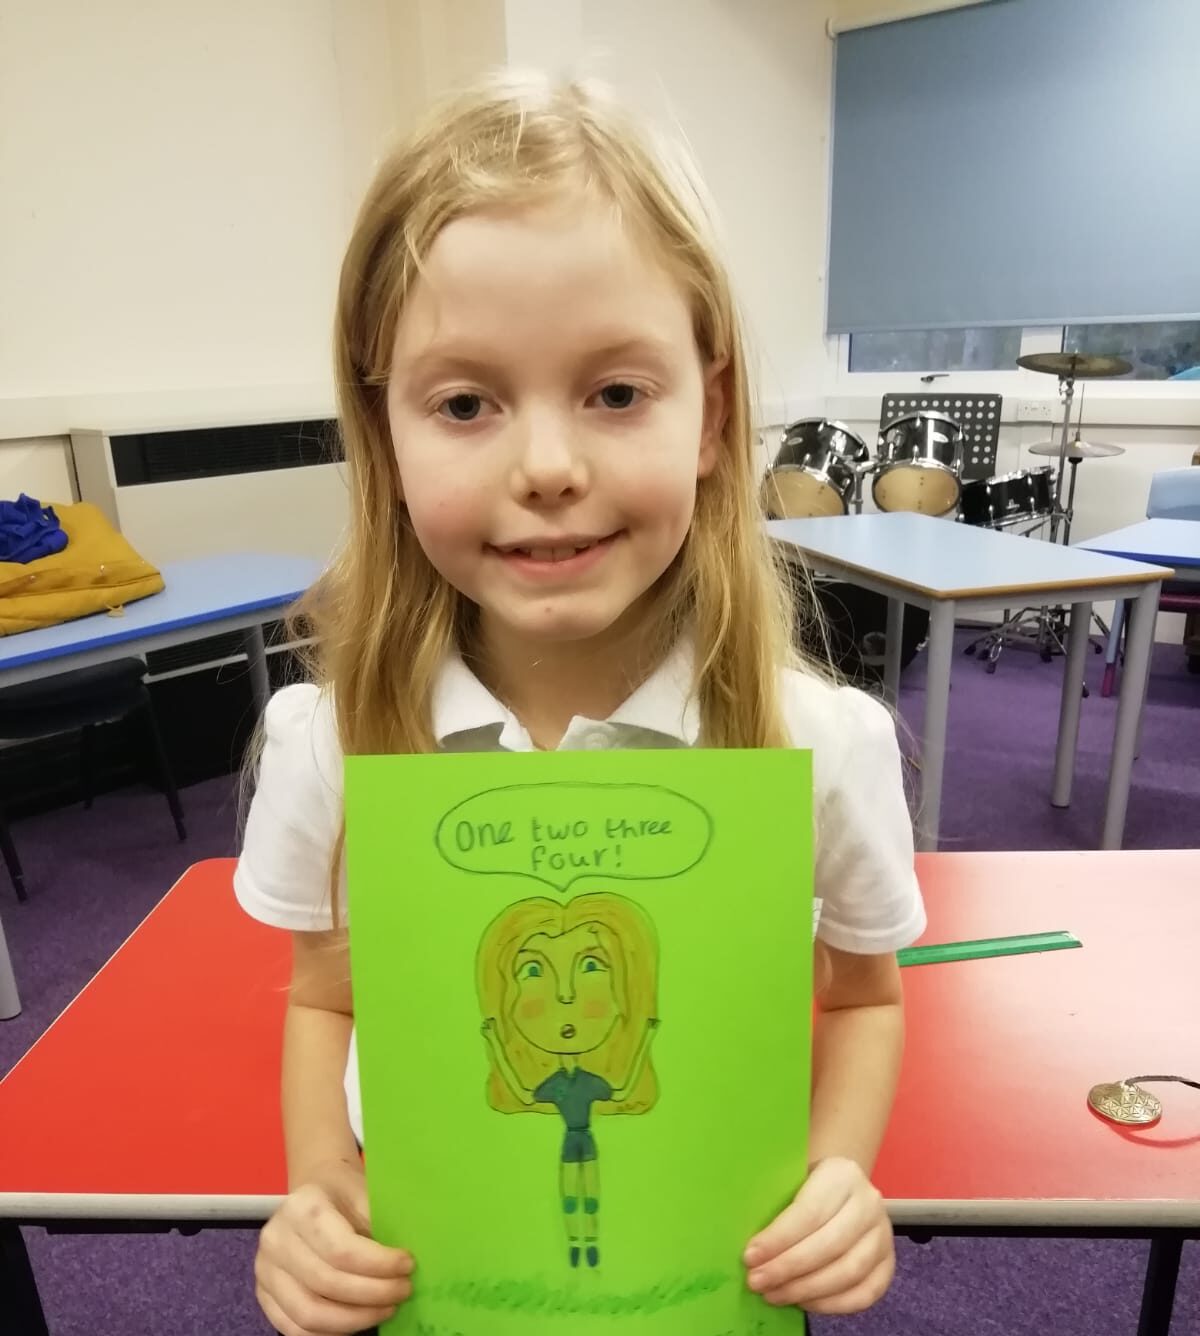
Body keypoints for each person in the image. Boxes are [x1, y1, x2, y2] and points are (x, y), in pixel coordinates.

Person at [235, 69, 925, 1336]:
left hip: (707, 1288)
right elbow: (326, 996)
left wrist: (839, 1174)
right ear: (384, 437)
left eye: (616, 392)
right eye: (463, 403)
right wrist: (321, 1190)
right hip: (446, 1288)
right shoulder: (329, 740)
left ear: (712, 414)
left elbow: (868, 994)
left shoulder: (818, 742)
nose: (549, 468)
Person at [477, 893, 660, 1269]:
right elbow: (524, 1094)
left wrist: (644, 1039)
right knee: (570, 1191)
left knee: (589, 1192)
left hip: (584, 1140)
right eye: (532, 970)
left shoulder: (591, 1081)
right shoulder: (556, 1084)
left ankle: (587, 1242)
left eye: (592, 965)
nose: (565, 994)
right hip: (571, 1142)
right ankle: (575, 1244)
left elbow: (624, 1088)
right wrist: (495, 1044)